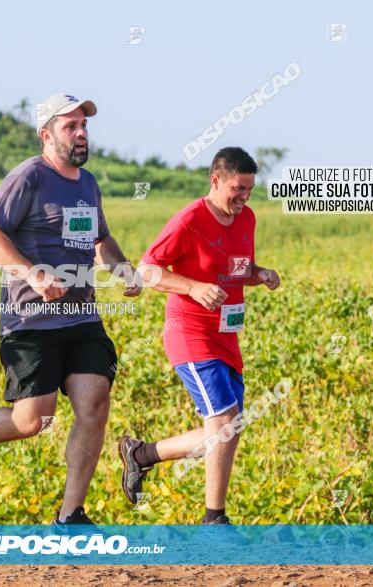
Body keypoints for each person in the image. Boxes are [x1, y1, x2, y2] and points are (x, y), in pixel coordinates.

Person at [0, 93, 141, 526]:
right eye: (70, 126)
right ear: (46, 135)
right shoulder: (28, 178)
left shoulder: (88, 183)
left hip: (82, 318)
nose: (80, 133)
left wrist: (123, 269)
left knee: (95, 400)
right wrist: (34, 275)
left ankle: (71, 514)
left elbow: (100, 239)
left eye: (84, 126)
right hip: (30, 320)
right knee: (32, 420)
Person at [118, 147, 281, 524]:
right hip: (190, 333)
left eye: (249, 190)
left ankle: (142, 455)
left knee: (227, 428)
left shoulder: (247, 218)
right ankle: (214, 520)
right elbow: (146, 271)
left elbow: (238, 268)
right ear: (216, 180)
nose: (243, 198)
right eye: (238, 189)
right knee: (224, 423)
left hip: (227, 334)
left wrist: (261, 274)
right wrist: (191, 286)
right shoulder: (188, 220)